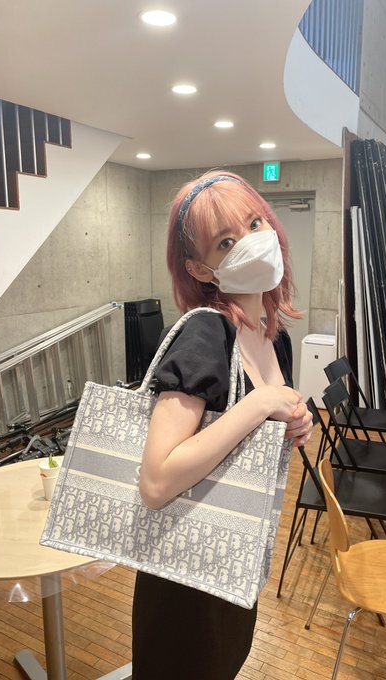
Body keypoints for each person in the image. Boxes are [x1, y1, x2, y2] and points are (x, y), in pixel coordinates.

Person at [132, 170, 313, 680]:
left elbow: (245, 439)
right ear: (199, 268)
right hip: (185, 579)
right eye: (226, 242)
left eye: (255, 224)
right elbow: (156, 482)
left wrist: (293, 423)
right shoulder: (205, 336)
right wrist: (260, 405)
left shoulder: (274, 337)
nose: (253, 242)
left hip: (235, 558)